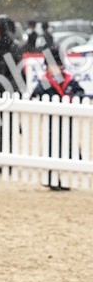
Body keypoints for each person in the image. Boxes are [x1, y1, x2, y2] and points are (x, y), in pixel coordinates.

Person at [30, 46, 88, 191]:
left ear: (61, 65)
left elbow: (80, 93)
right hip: (51, 124)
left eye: (56, 65)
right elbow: (35, 96)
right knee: (51, 150)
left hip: (67, 123)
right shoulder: (44, 82)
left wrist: (74, 97)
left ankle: (67, 180)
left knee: (69, 150)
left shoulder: (69, 80)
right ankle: (51, 179)